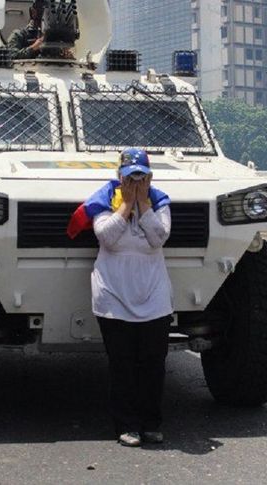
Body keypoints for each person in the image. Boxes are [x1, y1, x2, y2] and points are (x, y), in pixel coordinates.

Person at [75, 148, 174, 447]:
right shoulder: (104, 201)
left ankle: (151, 423)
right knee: (123, 363)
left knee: (153, 362)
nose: (135, 181)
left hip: (153, 294)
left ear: (150, 178)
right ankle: (126, 424)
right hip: (113, 295)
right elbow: (106, 238)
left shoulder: (159, 202)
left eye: (141, 177)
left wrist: (143, 205)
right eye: (130, 177)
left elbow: (158, 238)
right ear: (119, 177)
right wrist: (125, 205)